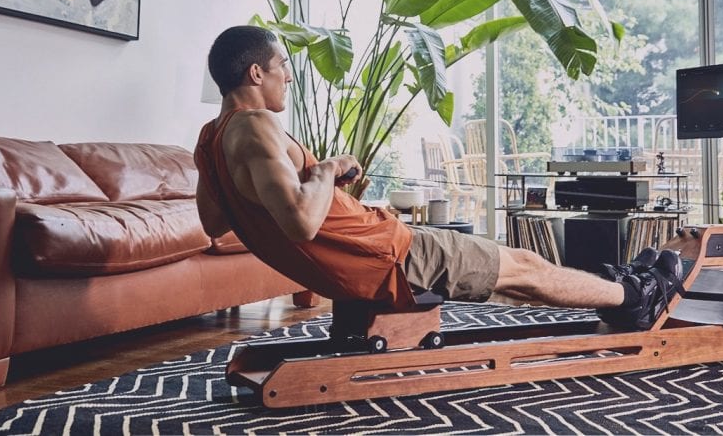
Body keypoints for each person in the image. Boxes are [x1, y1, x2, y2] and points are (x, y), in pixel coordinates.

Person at [194, 26, 682, 331]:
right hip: (386, 254)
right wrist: (325, 168)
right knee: (526, 266)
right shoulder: (259, 127)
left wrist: (319, 186)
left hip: (368, 253)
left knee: (509, 277)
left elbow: (214, 222)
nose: (290, 77)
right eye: (283, 67)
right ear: (256, 73)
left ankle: (616, 291)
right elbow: (300, 222)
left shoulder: (211, 139)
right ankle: (637, 296)